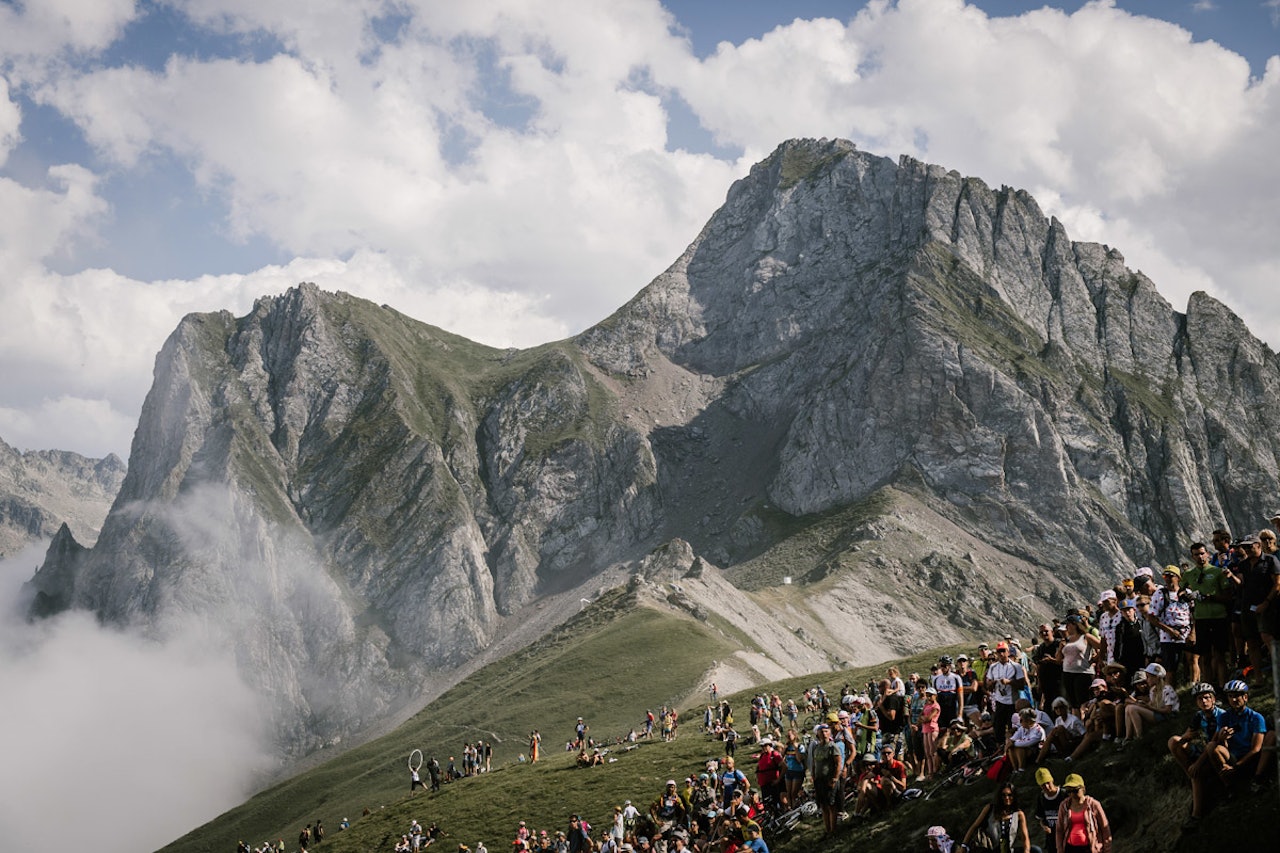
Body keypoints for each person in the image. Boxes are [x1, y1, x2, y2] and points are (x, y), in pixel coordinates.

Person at [1183, 542, 1231, 687]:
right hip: (1201, 619)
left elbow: (1228, 595)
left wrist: (1211, 597)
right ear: (1192, 557)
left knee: (1219, 655)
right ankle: (1208, 687)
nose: (1200, 557)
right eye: (1196, 554)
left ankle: (1223, 686)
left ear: (1208, 554)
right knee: (1204, 657)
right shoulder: (1189, 574)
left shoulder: (1217, 571)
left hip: (1218, 618)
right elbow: (1180, 591)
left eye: (1202, 553)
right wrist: (1186, 595)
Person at [1147, 565, 1193, 686]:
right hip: (1168, 637)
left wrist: (1193, 632)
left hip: (1187, 633)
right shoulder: (1160, 594)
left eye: (1170, 576)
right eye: (1165, 576)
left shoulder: (1187, 593)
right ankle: (1171, 694)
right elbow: (1151, 617)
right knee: (1170, 668)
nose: (1167, 579)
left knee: (1192, 660)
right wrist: (1169, 631)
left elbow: (1194, 612)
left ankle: (1192, 685)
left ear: (1178, 577)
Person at [962, 783, 1032, 853]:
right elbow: (974, 826)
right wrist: (964, 846)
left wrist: (1026, 851)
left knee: (1036, 850)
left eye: (1009, 795)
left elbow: (1025, 838)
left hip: (1009, 849)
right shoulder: (990, 809)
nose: (1006, 798)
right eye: (1003, 795)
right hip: (991, 849)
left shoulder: (1019, 814)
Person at [1055, 773, 1111, 853]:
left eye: (1075, 790)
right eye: (1068, 791)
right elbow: (1059, 830)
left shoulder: (1093, 805)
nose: (1072, 794)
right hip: (1070, 848)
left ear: (1083, 788)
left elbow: (1105, 828)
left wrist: (1107, 850)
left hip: (1089, 848)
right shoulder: (1064, 806)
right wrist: (1060, 849)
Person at [986, 642, 1027, 740]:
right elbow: (988, 686)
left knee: (1013, 728)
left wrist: (1009, 682)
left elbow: (1022, 685)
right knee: (998, 728)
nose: (1001, 654)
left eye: (1003, 651)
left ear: (1008, 652)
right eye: (999, 651)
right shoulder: (993, 667)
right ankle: (1000, 747)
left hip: (1012, 703)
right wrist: (992, 684)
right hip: (999, 701)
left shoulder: (1016, 666)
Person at [807, 723, 842, 835]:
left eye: (826, 731)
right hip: (819, 780)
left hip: (829, 780)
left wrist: (835, 779)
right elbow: (814, 763)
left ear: (830, 733)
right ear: (818, 733)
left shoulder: (832, 747)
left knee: (831, 805)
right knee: (823, 805)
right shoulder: (816, 747)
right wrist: (813, 776)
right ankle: (827, 830)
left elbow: (838, 763)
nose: (824, 733)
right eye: (822, 731)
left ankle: (833, 830)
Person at [1033, 768, 1066, 853]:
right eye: (1043, 785)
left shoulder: (1064, 794)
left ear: (1052, 780)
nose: (1047, 787)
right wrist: (1044, 827)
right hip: (1052, 839)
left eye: (1048, 783)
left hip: (1067, 836)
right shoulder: (1041, 798)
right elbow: (1041, 819)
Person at [1006, 707, 1045, 773]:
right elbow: (1013, 738)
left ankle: (1021, 769)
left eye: (1021, 720)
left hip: (1036, 752)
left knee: (1019, 748)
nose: (1020, 722)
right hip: (1026, 750)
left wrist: (1013, 742)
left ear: (1028, 721)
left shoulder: (1038, 730)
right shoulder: (1022, 728)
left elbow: (1027, 743)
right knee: (1011, 747)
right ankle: (1015, 769)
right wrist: (1011, 742)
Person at [918, 686, 941, 781]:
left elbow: (928, 718)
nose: (928, 697)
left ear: (935, 695)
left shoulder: (936, 706)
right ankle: (930, 772)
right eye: (927, 695)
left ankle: (935, 770)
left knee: (932, 751)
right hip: (925, 729)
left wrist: (924, 719)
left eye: (930, 695)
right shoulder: (926, 705)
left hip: (932, 728)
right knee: (927, 752)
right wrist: (923, 719)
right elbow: (920, 717)